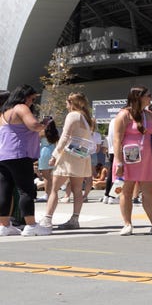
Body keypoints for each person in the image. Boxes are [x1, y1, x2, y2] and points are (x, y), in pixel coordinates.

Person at [111, 86, 152, 235]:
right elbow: (116, 140)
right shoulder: (124, 115)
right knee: (126, 192)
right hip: (128, 159)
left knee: (148, 192)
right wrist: (119, 162)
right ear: (138, 97)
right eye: (148, 95)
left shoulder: (149, 115)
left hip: (146, 159)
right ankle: (127, 224)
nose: (151, 98)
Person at [0, 85, 51, 236]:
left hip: (3, 156)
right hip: (19, 154)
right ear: (24, 96)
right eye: (32, 98)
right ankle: (31, 225)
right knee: (26, 190)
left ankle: (4, 225)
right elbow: (33, 125)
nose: (32, 102)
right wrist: (45, 123)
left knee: (5, 190)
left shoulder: (4, 112)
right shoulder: (20, 107)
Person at [42, 93, 96, 230]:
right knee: (77, 190)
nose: (66, 105)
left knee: (54, 189)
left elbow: (65, 137)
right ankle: (75, 218)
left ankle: (47, 218)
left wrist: (54, 155)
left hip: (69, 156)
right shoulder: (86, 118)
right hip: (81, 156)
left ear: (71, 103)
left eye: (67, 102)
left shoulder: (72, 115)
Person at [37, 120, 59, 201]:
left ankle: (47, 194)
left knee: (46, 176)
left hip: (44, 152)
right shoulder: (55, 132)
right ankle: (53, 193)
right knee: (52, 176)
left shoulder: (42, 132)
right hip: (53, 152)